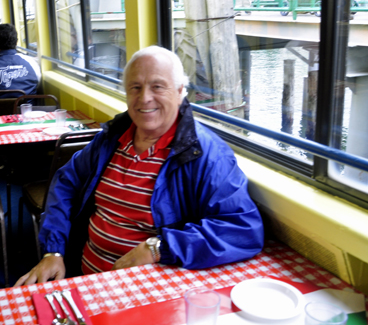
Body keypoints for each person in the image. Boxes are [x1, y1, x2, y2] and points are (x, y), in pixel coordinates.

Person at [15, 46, 264, 286]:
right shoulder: (111, 138)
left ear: (180, 92)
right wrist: (54, 252)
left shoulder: (207, 154)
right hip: (86, 279)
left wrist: (158, 247)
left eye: (157, 86)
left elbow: (243, 230)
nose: (145, 98)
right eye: (135, 87)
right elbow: (67, 181)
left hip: (149, 288)